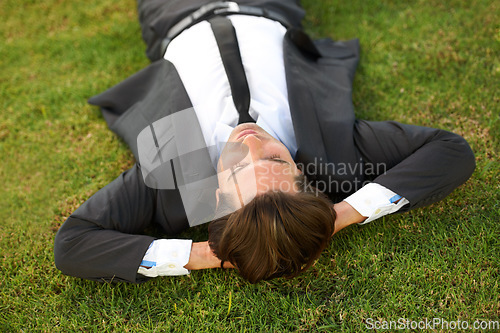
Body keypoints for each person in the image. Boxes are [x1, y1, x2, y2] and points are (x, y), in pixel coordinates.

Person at [54, 0, 475, 283]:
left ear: (218, 194)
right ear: (302, 174)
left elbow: (73, 243)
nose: (250, 142)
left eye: (237, 167)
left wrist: (203, 254)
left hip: (175, 11)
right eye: (275, 160)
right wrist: (341, 214)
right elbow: (452, 152)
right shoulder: (333, 149)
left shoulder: (170, 181)